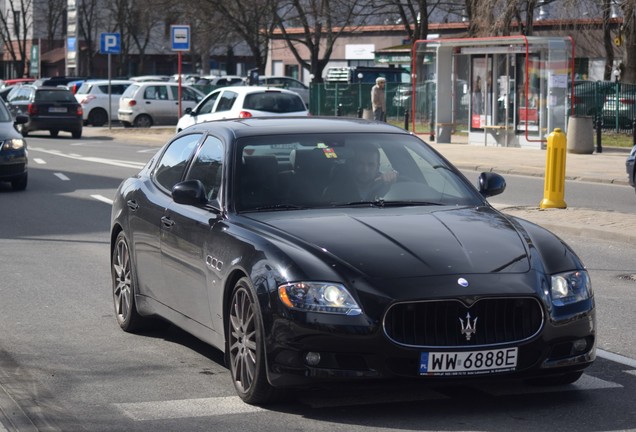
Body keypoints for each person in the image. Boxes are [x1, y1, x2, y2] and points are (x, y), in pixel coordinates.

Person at [323, 144, 397, 202]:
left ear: (378, 167)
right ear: (352, 165)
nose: (365, 170)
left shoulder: (386, 184)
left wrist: (394, 176)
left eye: (371, 164)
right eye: (360, 164)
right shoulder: (336, 190)